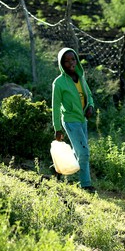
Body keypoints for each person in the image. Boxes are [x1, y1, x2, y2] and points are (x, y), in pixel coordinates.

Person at [52, 48, 96, 193]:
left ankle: (58, 169)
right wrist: (57, 128)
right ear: (61, 64)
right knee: (84, 152)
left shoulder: (80, 77)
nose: (71, 63)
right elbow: (56, 107)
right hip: (70, 121)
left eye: (73, 59)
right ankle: (86, 185)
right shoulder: (59, 83)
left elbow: (88, 94)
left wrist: (90, 106)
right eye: (66, 61)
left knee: (78, 151)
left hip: (82, 120)